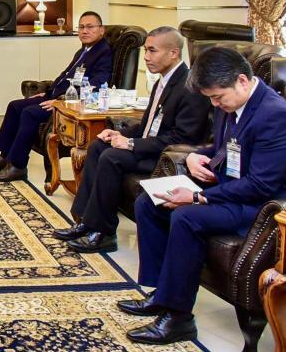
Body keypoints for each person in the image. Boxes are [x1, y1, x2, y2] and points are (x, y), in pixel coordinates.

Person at [120, 46, 286, 345]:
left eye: (218, 97)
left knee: (187, 216)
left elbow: (260, 185)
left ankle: (178, 318)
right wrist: (198, 156)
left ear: (242, 80)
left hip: (259, 206)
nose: (215, 104)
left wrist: (198, 198)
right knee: (150, 202)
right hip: (227, 190)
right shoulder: (228, 104)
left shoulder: (274, 115)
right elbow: (221, 148)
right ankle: (161, 293)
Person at [58, 26, 211, 253]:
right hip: (151, 146)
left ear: (173, 53)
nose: (146, 57)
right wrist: (119, 134)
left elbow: (181, 138)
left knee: (112, 157)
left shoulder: (189, 87)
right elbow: (146, 125)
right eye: (145, 50)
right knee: (99, 145)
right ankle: (85, 221)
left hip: (167, 157)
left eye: (152, 51)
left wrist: (131, 144)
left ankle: (104, 233)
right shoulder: (163, 81)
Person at [0, 11, 113, 182]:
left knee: (29, 113)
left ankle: (17, 166)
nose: (84, 31)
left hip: (69, 104)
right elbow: (65, 76)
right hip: (56, 96)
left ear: (101, 30)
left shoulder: (103, 52)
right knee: (14, 106)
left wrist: (61, 101)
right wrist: (49, 91)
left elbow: (97, 83)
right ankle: (5, 157)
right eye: (81, 27)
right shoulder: (84, 51)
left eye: (90, 27)